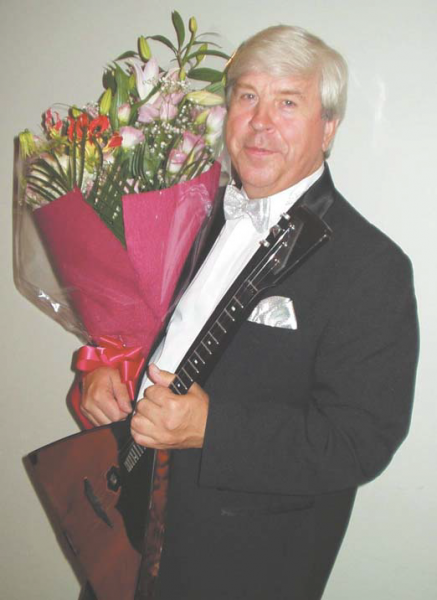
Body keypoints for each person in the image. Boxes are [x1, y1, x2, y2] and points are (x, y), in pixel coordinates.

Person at [80, 25, 419, 600]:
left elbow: (359, 441)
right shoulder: (187, 213)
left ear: (328, 127)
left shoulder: (371, 266)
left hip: (241, 568)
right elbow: (150, 330)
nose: (261, 122)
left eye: (288, 102)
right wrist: (109, 367)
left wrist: (213, 429)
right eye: (248, 97)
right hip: (124, 538)